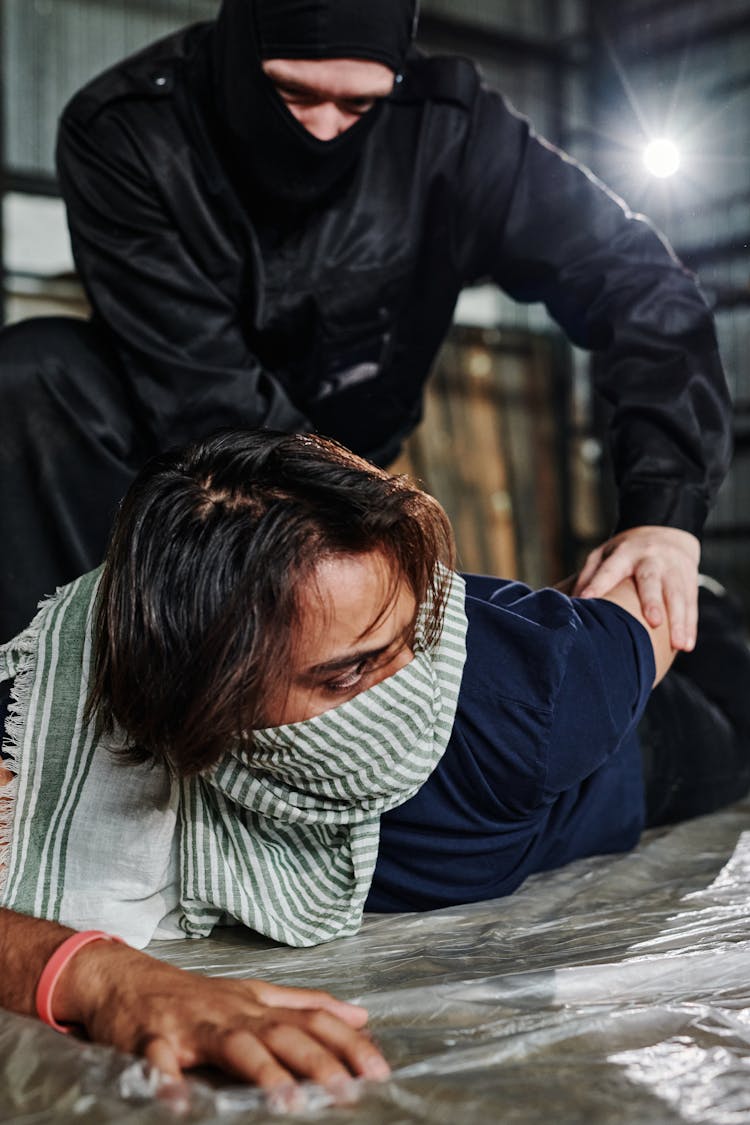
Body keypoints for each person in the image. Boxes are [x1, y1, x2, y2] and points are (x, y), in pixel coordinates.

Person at [1, 429, 749, 1088]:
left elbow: (644, 616)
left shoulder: (533, 705)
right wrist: (95, 976)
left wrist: (665, 542)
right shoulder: (94, 662)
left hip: (654, 741)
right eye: (353, 672)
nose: (408, 683)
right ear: (207, 695)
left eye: (411, 635)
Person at [0, 0, 731, 649]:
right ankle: (52, 710)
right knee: (35, 370)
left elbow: (642, 286)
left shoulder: (455, 135)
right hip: (169, 463)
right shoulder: (128, 132)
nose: (322, 132)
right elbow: (206, 392)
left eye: (357, 107)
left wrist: (664, 511)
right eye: (291, 93)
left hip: (357, 473)